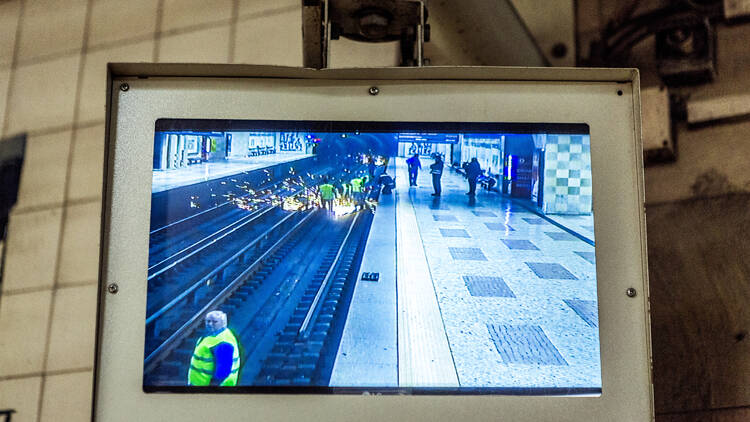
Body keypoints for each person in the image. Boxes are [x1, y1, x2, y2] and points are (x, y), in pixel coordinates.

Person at [188, 311, 241, 386]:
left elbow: (223, 371)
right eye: (208, 321)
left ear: (223, 323)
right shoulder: (213, 336)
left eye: (215, 322)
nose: (210, 324)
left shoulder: (223, 342)